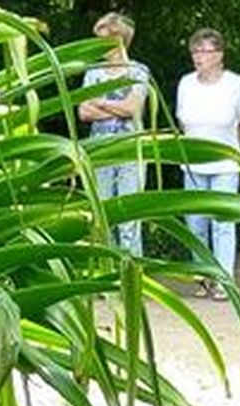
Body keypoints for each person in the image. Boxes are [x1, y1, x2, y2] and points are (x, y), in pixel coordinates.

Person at [176, 28, 240, 301]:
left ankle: (224, 280)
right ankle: (203, 276)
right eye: (195, 51)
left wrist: (230, 147)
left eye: (204, 51)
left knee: (223, 223)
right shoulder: (185, 83)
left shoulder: (235, 84)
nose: (198, 57)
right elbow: (181, 121)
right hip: (192, 163)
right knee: (195, 223)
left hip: (225, 163)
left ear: (219, 55)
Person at [78, 12, 149, 256]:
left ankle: (132, 274)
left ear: (118, 39)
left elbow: (133, 109)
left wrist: (100, 102)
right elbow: (83, 112)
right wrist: (116, 109)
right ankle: (105, 276)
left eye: (102, 39)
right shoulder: (93, 72)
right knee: (102, 214)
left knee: (131, 217)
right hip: (100, 152)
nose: (97, 45)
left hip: (131, 151)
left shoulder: (137, 71)